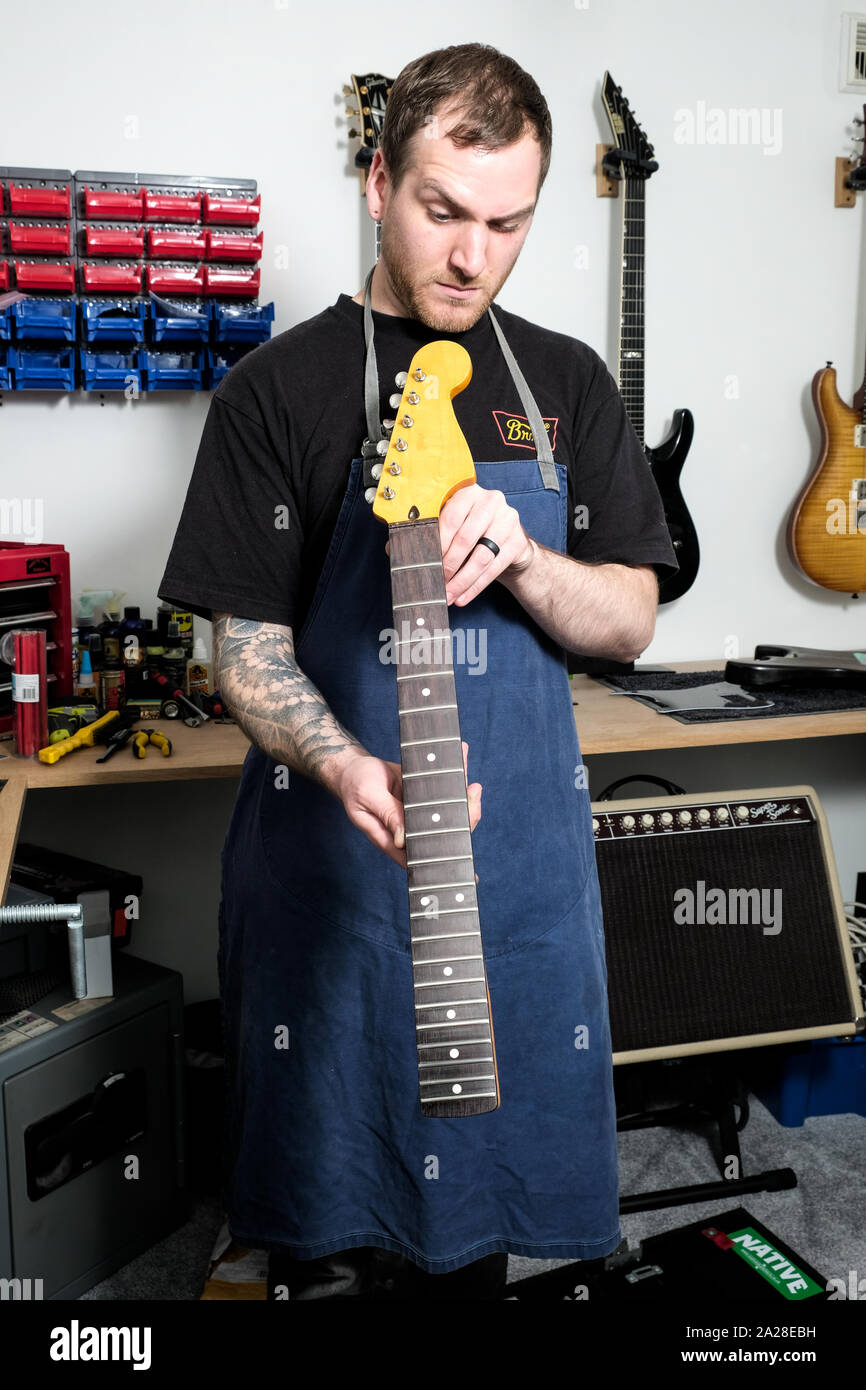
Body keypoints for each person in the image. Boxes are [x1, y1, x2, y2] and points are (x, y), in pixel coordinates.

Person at [159, 42, 678, 1301]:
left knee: (475, 1231)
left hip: (510, 870)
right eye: (442, 211)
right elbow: (246, 648)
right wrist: (339, 763)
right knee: (327, 1221)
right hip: (333, 861)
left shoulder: (562, 385)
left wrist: (526, 562)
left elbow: (629, 620)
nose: (471, 255)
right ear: (377, 179)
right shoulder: (271, 394)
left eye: (506, 223)